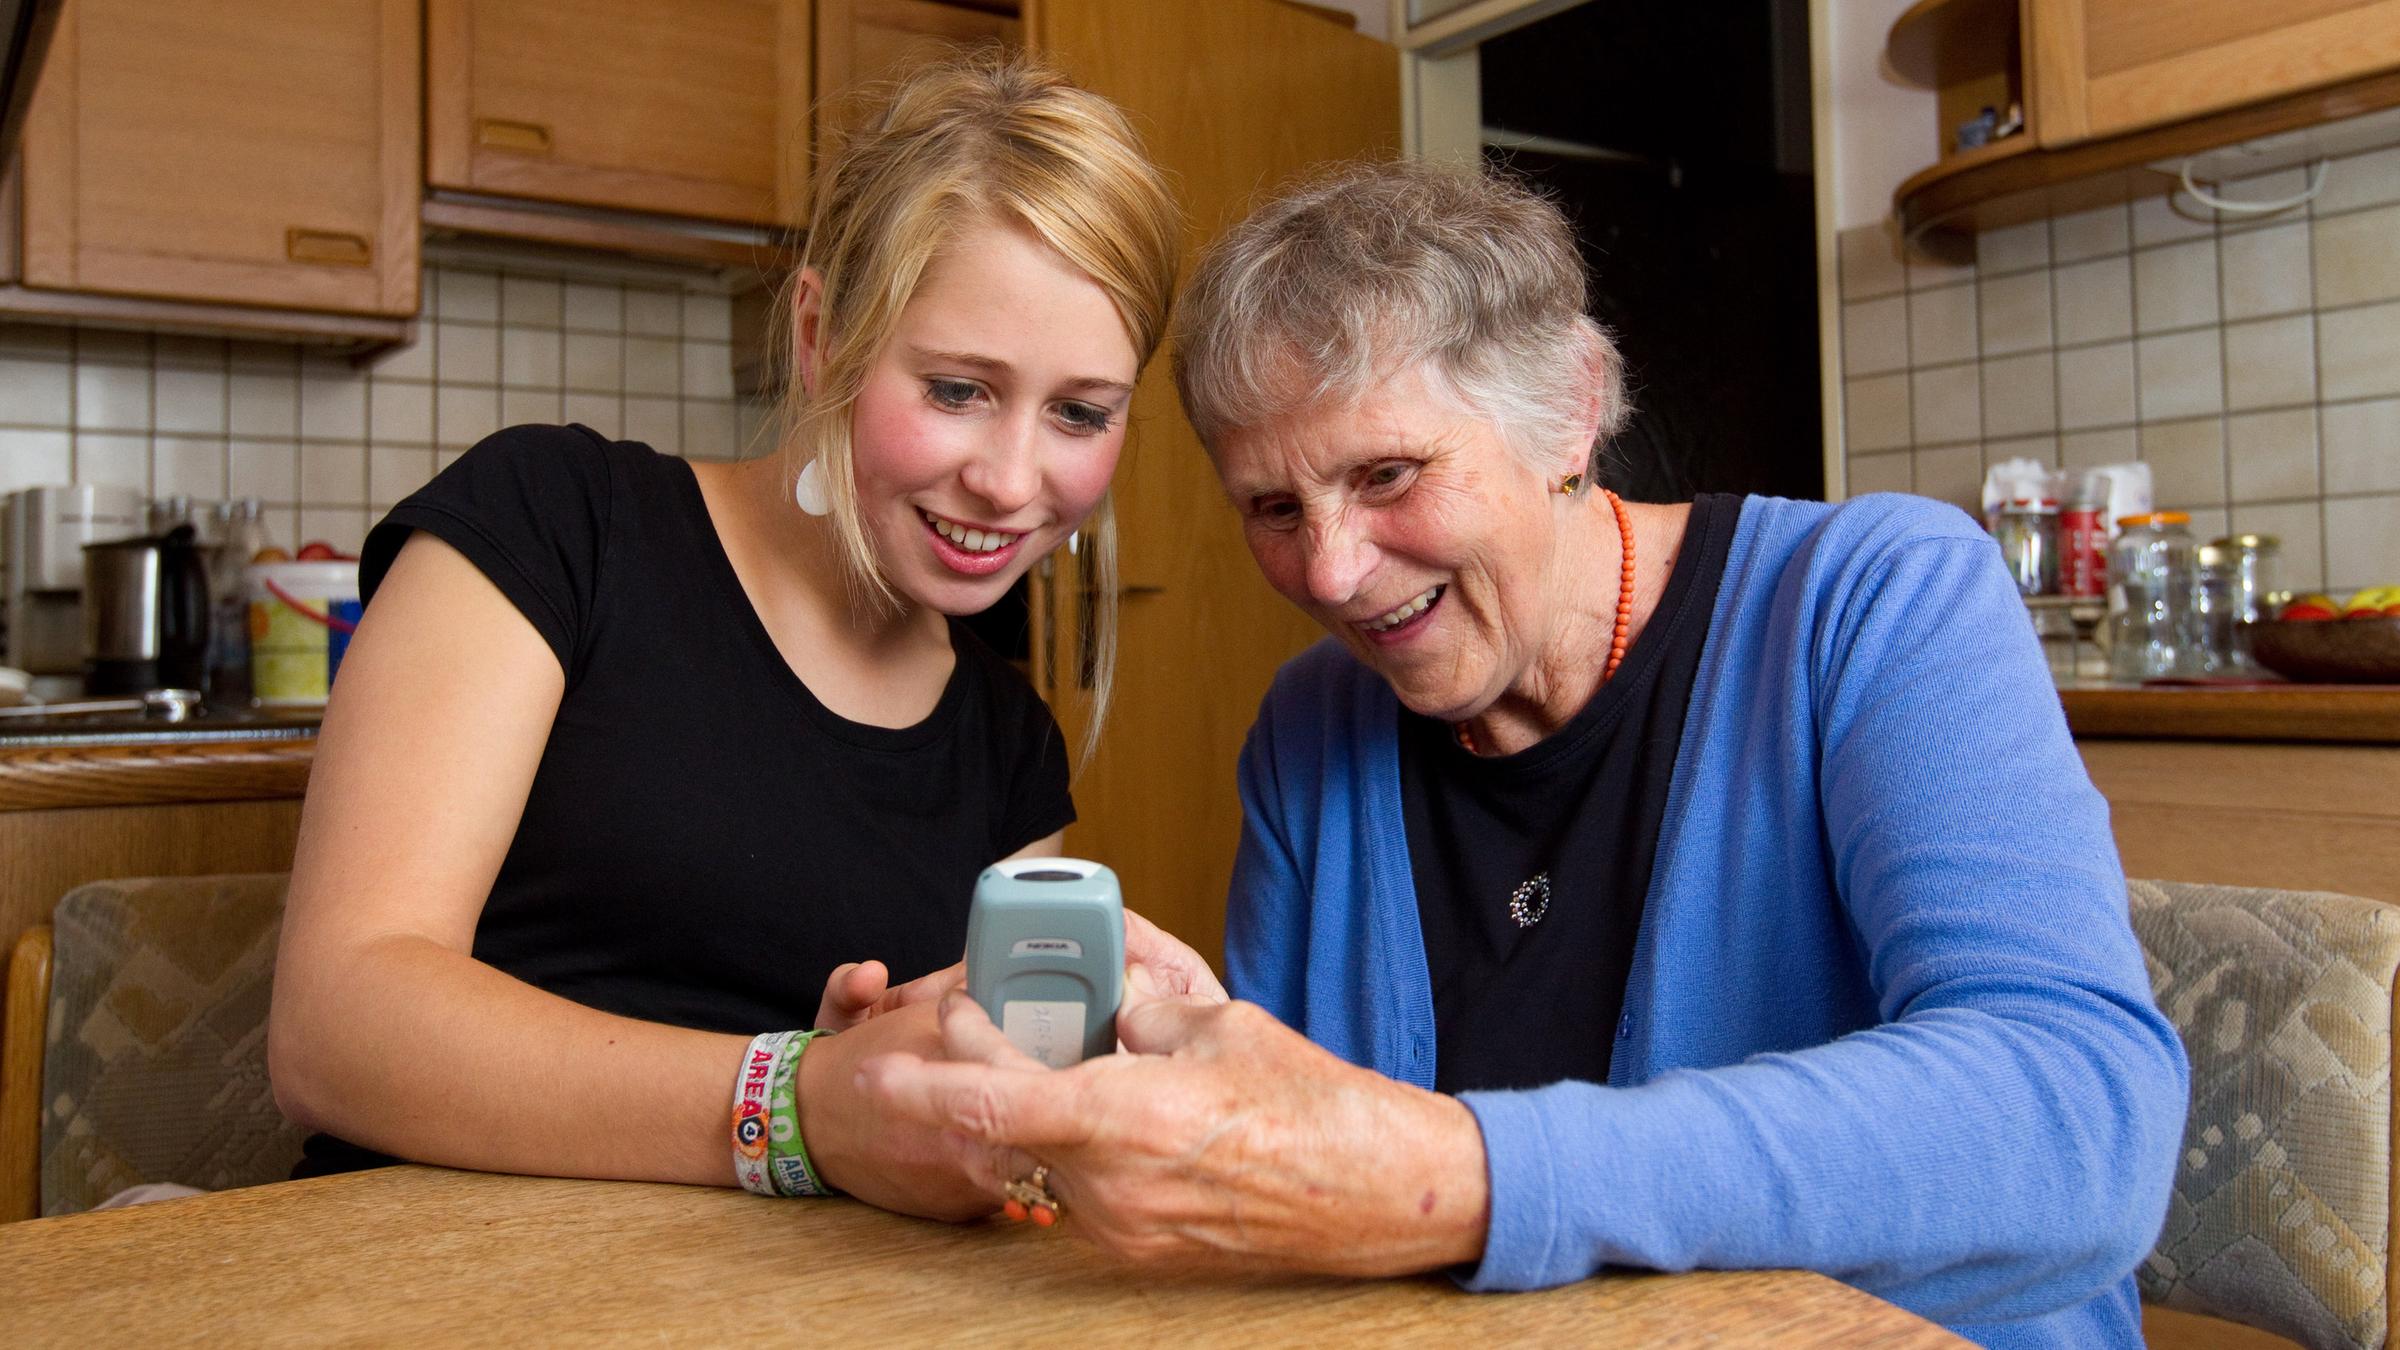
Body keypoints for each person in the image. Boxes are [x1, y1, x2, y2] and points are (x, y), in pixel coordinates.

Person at [858, 161, 2189, 1346]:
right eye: (1274, 505)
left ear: (1569, 413)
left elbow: (2080, 1118)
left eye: (1387, 474)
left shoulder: (1874, 599)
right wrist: (1161, 1067)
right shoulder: (1311, 730)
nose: (1328, 567)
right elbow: (1320, 1192)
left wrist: (1461, 1172)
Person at [265, 54, 1217, 1219]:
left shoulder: (1008, 742)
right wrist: (800, 1101)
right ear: (821, 336)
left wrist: (999, 1087)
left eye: (1080, 412)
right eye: (959, 389)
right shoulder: (556, 525)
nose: (1013, 480)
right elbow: (335, 1027)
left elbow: (976, 1144)